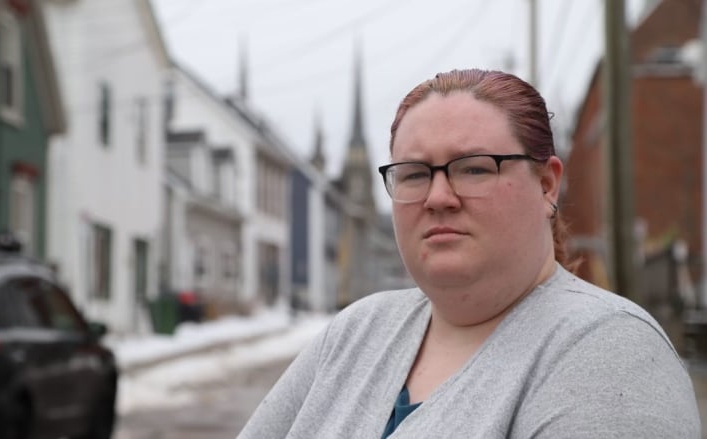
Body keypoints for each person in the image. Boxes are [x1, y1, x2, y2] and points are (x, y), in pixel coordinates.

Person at [238, 69, 701, 438]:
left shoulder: (608, 355)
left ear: (546, 185)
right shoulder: (357, 333)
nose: (438, 196)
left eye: (474, 168)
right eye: (415, 174)